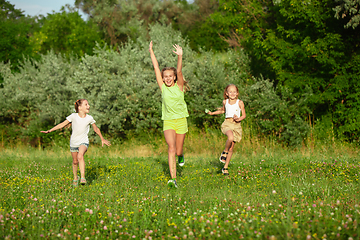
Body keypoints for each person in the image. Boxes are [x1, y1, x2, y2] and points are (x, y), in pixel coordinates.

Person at [41, 99, 111, 186]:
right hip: (73, 142)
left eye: (88, 104)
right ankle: (75, 177)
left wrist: (102, 139)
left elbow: (96, 129)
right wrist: (50, 130)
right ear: (80, 107)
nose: (88, 106)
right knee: (75, 161)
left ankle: (82, 177)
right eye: (86, 104)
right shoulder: (73, 116)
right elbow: (62, 124)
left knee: (80, 155)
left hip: (83, 141)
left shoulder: (89, 118)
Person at [149, 41, 189, 188]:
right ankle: (174, 179)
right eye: (165, 76)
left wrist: (180, 56)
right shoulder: (163, 88)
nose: (167, 78)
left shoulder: (180, 86)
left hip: (181, 120)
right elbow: (155, 67)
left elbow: (179, 72)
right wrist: (151, 52)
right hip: (168, 121)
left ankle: (181, 155)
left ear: (174, 77)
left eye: (170, 76)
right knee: (171, 148)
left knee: (178, 150)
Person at [207, 84, 246, 175]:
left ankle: (225, 168)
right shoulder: (225, 102)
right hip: (227, 124)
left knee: (231, 148)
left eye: (234, 92)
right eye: (230, 92)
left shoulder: (240, 102)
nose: (232, 93)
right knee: (230, 138)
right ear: (227, 93)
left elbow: (244, 115)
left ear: (237, 93)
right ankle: (224, 152)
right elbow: (223, 111)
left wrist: (238, 119)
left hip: (236, 125)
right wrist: (212, 113)